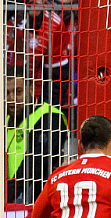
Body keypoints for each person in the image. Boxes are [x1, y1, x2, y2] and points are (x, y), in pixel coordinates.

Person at [5, 66, 69, 203]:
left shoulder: (50, 117)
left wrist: (5, 193)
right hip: (9, 199)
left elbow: (36, 162)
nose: (12, 99)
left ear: (31, 89)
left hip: (41, 200)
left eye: (18, 92)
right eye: (7, 93)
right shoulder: (1, 122)